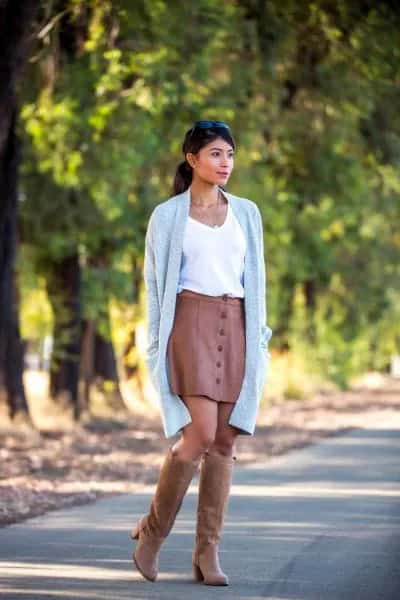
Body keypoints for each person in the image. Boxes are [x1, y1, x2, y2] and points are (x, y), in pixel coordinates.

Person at [130, 120, 272, 586]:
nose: (225, 163)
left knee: (227, 441)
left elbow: (258, 285)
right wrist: (156, 345)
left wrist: (259, 339)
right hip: (188, 324)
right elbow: (155, 288)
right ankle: (152, 534)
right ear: (192, 160)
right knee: (199, 436)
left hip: (238, 326)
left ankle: (207, 555)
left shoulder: (247, 213)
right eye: (215, 154)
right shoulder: (167, 216)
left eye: (229, 154)